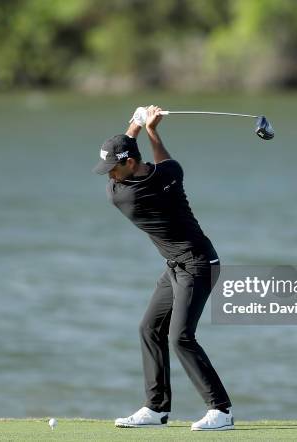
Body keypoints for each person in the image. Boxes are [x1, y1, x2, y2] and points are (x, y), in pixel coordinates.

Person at [92, 105, 234, 431]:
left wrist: (138, 124)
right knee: (149, 329)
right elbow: (163, 162)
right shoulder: (158, 180)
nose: (109, 176)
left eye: (112, 168)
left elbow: (144, 155)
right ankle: (156, 410)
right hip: (177, 267)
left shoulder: (126, 192)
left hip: (200, 264)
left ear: (129, 163)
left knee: (181, 337)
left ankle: (221, 411)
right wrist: (149, 128)